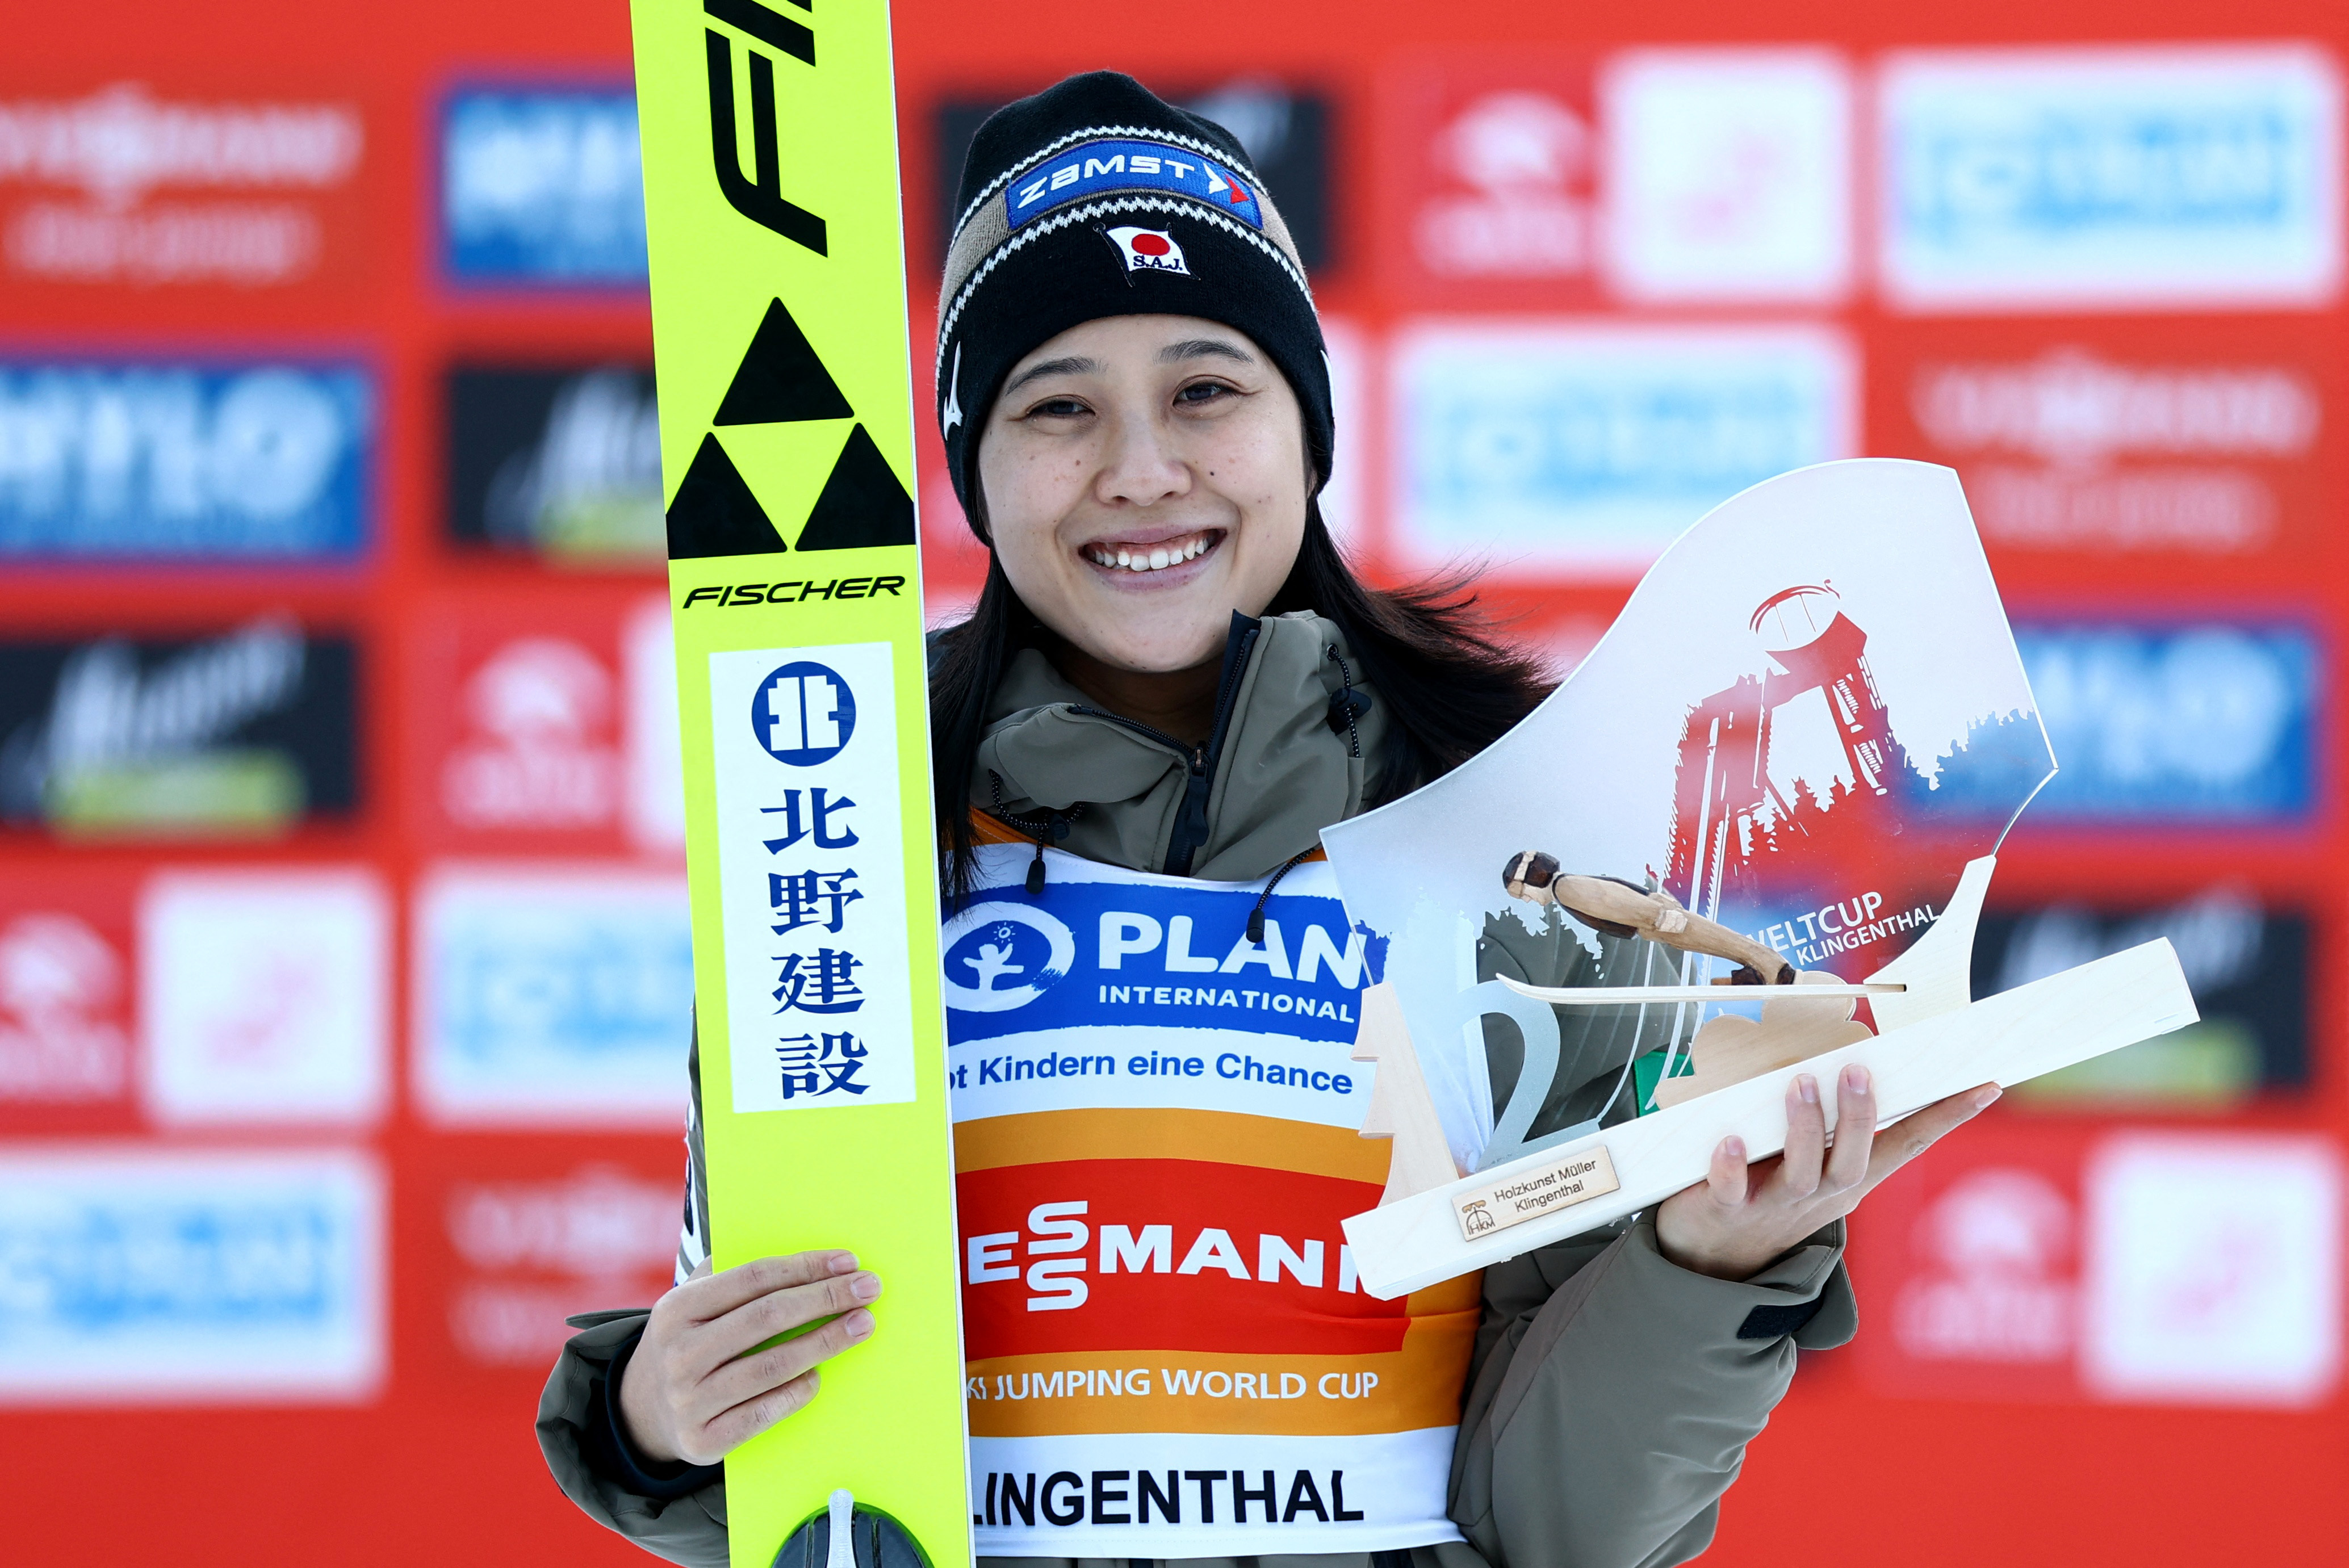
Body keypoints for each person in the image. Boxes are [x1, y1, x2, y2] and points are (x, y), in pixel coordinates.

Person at [538, 70, 1998, 1568]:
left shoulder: (1502, 846)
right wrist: (660, 1419)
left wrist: (1706, 1261)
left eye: (1205, 389)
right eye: (1058, 407)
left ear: (1304, 432)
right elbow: (833, 1492)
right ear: (976, 464)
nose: (1141, 469)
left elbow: (1551, 1532)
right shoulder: (842, 825)